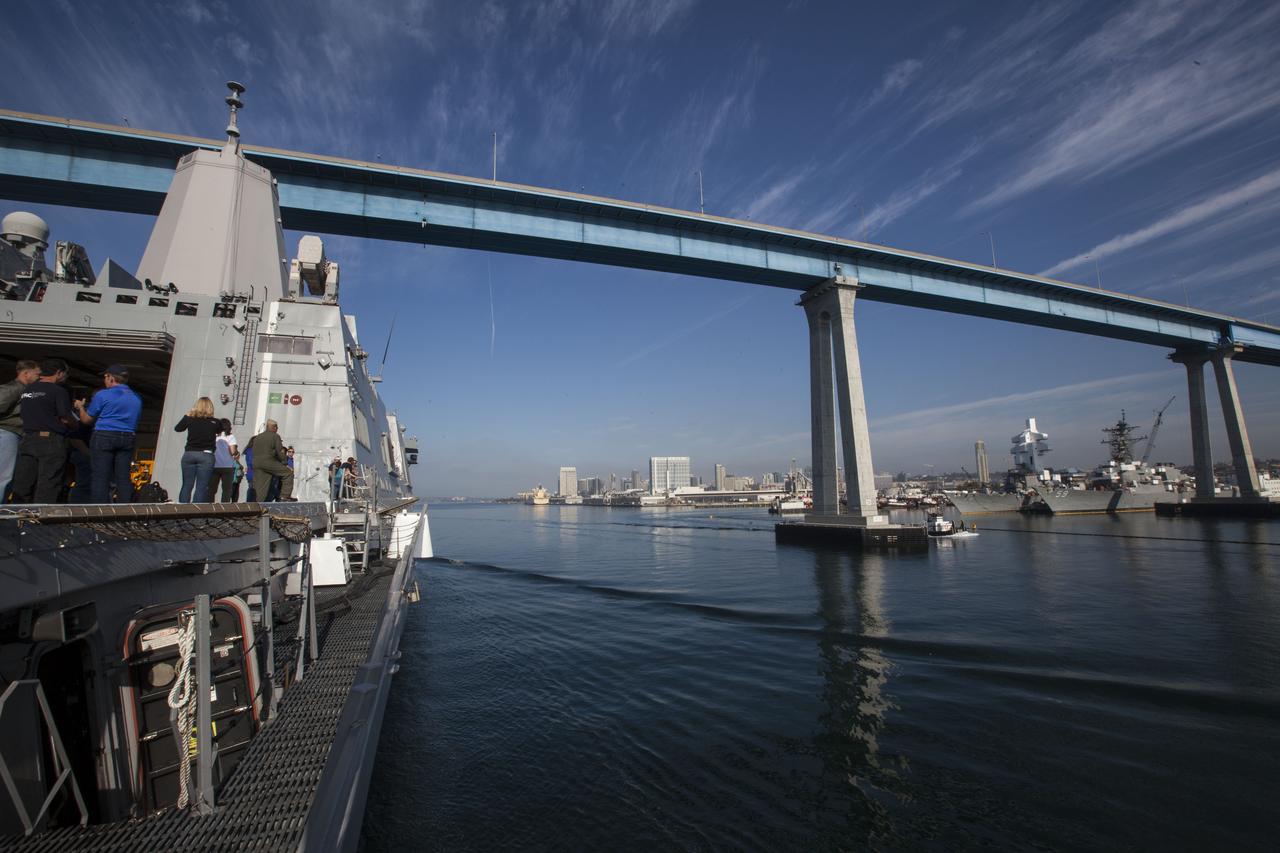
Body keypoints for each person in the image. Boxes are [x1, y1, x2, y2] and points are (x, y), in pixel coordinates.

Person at [74, 363, 142, 503]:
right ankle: (125, 508)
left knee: (100, 476)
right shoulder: (136, 397)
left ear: (111, 378)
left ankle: (99, 509)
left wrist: (80, 407)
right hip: (127, 436)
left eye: (105, 377)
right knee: (123, 476)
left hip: (104, 435)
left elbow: (86, 420)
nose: (104, 380)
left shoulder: (103, 394)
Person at [10, 358, 75, 504]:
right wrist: (76, 424)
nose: (66, 377)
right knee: (48, 482)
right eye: (66, 374)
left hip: (27, 439)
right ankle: (41, 515)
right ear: (59, 373)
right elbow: (65, 417)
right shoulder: (59, 391)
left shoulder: (27, 389)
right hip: (50, 440)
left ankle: (17, 514)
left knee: (23, 481)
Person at [0, 359, 41, 500]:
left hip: (12, 433)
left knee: (7, 475)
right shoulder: (13, 389)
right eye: (37, 374)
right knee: (4, 476)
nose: (39, 377)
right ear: (26, 373)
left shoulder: (23, 390)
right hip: (7, 433)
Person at [173, 397, 221, 503]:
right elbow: (219, 431)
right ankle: (196, 509)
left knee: (187, 485)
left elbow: (178, 428)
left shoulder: (189, 419)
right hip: (206, 454)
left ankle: (182, 508)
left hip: (189, 453)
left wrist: (186, 416)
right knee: (201, 487)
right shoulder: (215, 422)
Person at [248, 420, 293, 502]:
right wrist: (285, 463)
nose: (277, 429)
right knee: (288, 473)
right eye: (277, 427)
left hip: (256, 463)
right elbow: (280, 451)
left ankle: (258, 504)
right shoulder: (275, 436)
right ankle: (284, 497)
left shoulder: (258, 437)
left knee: (261, 486)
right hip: (268, 462)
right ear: (274, 427)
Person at [209, 418, 239, 501]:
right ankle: (224, 507)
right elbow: (233, 452)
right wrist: (237, 452)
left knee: (211, 490)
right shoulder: (231, 437)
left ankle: (210, 506)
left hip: (215, 465)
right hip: (228, 466)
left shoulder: (214, 436)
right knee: (226, 490)